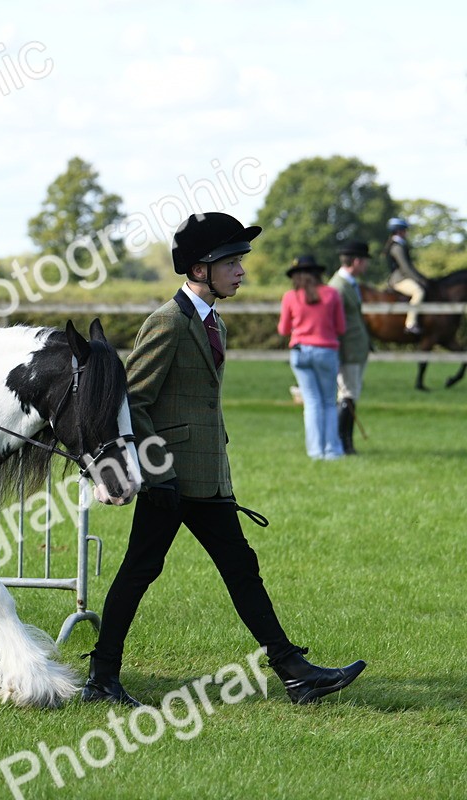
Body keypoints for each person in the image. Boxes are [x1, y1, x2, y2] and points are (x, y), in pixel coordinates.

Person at [81, 212, 366, 707]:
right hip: (169, 482)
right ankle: (102, 678)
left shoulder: (214, 323)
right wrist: (159, 473)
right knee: (138, 573)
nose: (241, 271)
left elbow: (202, 404)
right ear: (199, 269)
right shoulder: (167, 324)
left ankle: (294, 672)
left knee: (241, 569)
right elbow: (136, 403)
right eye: (231, 263)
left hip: (208, 479)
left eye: (240, 262)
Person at [278, 255, 346, 460]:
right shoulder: (331, 294)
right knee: (328, 401)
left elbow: (283, 329)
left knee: (312, 403)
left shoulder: (290, 296)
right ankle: (332, 450)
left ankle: (315, 451)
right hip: (326, 351)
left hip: (300, 352)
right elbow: (341, 327)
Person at [329, 242, 372, 454]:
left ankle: (345, 442)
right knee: (347, 395)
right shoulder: (338, 287)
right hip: (348, 351)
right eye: (365, 261)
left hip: (356, 349)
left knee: (350, 394)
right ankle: (343, 443)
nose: (366, 266)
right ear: (356, 261)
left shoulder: (350, 283)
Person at [383, 217, 426, 335]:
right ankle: (410, 324)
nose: (406, 233)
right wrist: (419, 280)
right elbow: (406, 268)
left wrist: (422, 277)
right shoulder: (397, 247)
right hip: (399, 279)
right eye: (405, 230)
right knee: (419, 292)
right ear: (399, 231)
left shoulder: (399, 245)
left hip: (403, 277)